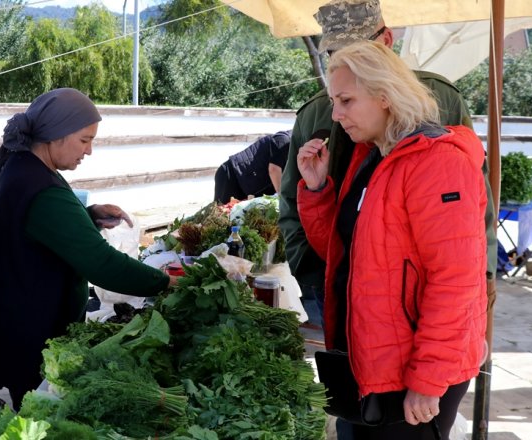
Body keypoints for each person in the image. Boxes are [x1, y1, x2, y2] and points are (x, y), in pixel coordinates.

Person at [297, 41, 487, 438]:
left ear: (385, 94)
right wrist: (317, 191)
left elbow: (456, 281)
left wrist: (428, 379)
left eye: (346, 100)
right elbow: (346, 255)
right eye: (334, 101)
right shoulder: (375, 157)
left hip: (412, 372)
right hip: (374, 362)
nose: (336, 115)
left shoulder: (439, 162)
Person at [278, 0, 497, 334]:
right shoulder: (319, 113)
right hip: (338, 285)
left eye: (360, 50)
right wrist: (313, 274)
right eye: (335, 53)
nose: (347, 63)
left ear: (387, 41)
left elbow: (473, 204)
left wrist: (485, 274)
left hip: (417, 294)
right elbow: (293, 201)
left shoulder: (438, 99)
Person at [0, 89, 178, 417]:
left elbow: (39, 231)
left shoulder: (22, 166)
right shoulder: (39, 185)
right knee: (37, 423)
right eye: (84, 140)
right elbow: (102, 264)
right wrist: (165, 282)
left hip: (7, 319)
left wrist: (88, 217)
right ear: (56, 134)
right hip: (28, 334)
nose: (89, 150)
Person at [213, 130, 292, 204]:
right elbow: (274, 169)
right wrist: (283, 199)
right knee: (220, 215)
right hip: (231, 176)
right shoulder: (284, 139)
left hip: (248, 188)